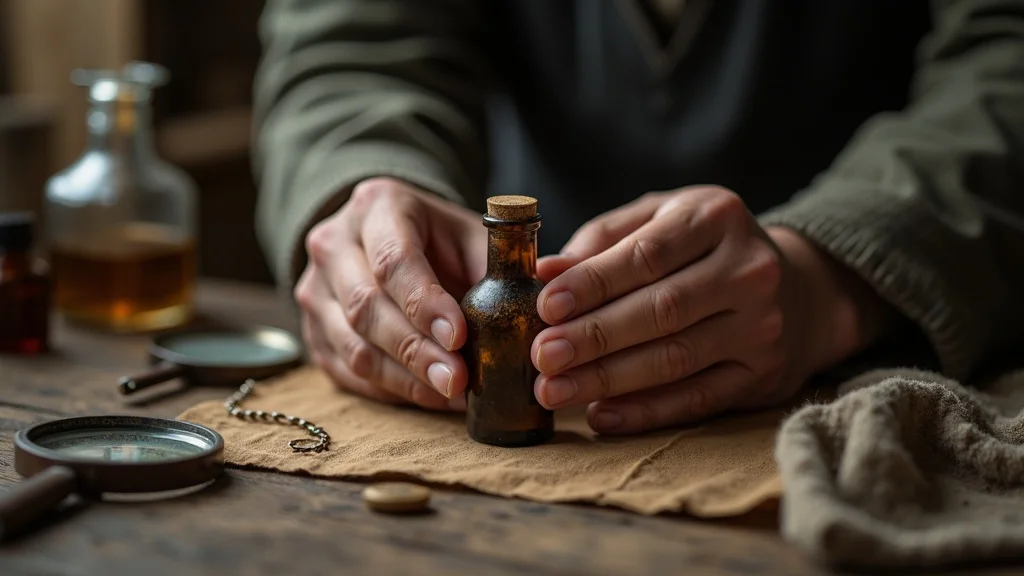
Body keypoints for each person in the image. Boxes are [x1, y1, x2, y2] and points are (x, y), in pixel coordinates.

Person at [251, 0, 1024, 435]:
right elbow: (351, 48)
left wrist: (834, 276)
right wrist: (359, 198)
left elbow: (1007, 58)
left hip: (883, 360)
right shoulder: (492, 304)